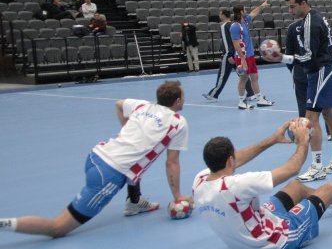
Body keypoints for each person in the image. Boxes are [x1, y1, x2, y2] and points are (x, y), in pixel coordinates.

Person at [0, 81, 191, 238]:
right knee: (56, 228)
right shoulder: (178, 123)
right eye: (183, 96)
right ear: (177, 101)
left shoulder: (141, 105)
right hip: (108, 175)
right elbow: (171, 162)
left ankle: (135, 201)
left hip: (96, 157)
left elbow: (119, 104)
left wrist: (125, 129)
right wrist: (177, 196)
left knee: (137, 162)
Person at [193, 120, 332, 249]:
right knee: (329, 189)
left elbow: (237, 159)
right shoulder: (238, 185)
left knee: (296, 188)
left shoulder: (201, 181)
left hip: (247, 236)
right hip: (273, 240)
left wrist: (272, 140)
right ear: (230, 160)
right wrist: (303, 141)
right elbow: (293, 168)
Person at [280, 0, 332, 180]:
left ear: (303, 3)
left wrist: (282, 57)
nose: (290, 11)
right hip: (325, 70)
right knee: (329, 115)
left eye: (293, 6)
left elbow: (309, 56)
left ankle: (317, 166)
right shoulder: (314, 18)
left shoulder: (311, 21)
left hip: (319, 71)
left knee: (310, 119)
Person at [203, 8, 254, 103]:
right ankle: (251, 93)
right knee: (243, 75)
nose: (219, 15)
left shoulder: (224, 26)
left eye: (219, 13)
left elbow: (227, 42)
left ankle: (213, 95)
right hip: (237, 54)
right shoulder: (234, 24)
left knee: (222, 76)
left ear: (223, 15)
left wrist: (229, 55)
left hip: (229, 55)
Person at [231, 1, 274, 110]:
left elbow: (253, 13)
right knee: (243, 79)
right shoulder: (235, 26)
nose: (246, 10)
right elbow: (236, 44)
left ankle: (260, 99)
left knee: (255, 77)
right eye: (244, 9)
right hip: (243, 57)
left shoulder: (244, 21)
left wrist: (262, 6)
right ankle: (241, 102)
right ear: (241, 11)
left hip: (250, 55)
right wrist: (242, 59)